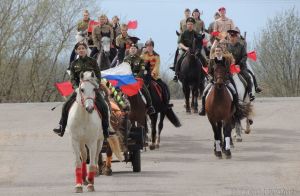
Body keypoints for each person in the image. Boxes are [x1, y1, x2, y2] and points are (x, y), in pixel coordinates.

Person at [53, 42, 111, 138]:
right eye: (79, 49)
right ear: (76, 51)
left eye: (83, 48)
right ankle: (61, 127)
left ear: (86, 50)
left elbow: (98, 75)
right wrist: (76, 88)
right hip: (80, 90)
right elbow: (72, 78)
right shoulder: (74, 64)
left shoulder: (92, 61)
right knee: (65, 105)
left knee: (104, 106)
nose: (81, 50)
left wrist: (95, 85)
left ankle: (106, 129)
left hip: (92, 89)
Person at [199, 45, 239, 116]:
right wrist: (212, 78)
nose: (218, 52)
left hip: (225, 80)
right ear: (215, 52)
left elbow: (228, 71)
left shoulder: (226, 60)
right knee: (204, 93)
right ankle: (203, 109)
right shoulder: (211, 61)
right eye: (216, 51)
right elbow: (209, 72)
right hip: (214, 81)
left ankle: (237, 109)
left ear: (221, 52)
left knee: (234, 92)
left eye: (219, 51)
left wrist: (224, 78)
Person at [123, 43, 155, 115]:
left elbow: (142, 69)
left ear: (136, 50)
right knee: (119, 90)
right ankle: (121, 105)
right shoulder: (125, 59)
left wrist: (137, 76)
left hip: (137, 79)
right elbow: (123, 69)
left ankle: (150, 106)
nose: (133, 50)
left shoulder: (140, 59)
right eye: (131, 48)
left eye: (134, 49)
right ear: (129, 50)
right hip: (128, 79)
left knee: (145, 90)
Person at [226, 29, 256, 101]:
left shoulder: (241, 46)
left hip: (240, 66)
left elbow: (245, 56)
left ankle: (250, 93)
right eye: (231, 36)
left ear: (236, 37)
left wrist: (239, 64)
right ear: (229, 37)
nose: (232, 38)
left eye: (233, 36)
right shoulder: (227, 46)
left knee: (248, 77)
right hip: (229, 67)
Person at [171, 17, 198, 82]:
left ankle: (206, 74)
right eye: (188, 24)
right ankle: (176, 74)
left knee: (201, 58)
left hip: (194, 51)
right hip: (184, 50)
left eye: (191, 24)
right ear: (186, 25)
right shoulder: (183, 33)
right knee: (179, 58)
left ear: (193, 25)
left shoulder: (196, 33)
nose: (190, 25)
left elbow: (199, 42)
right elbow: (179, 43)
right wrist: (186, 48)